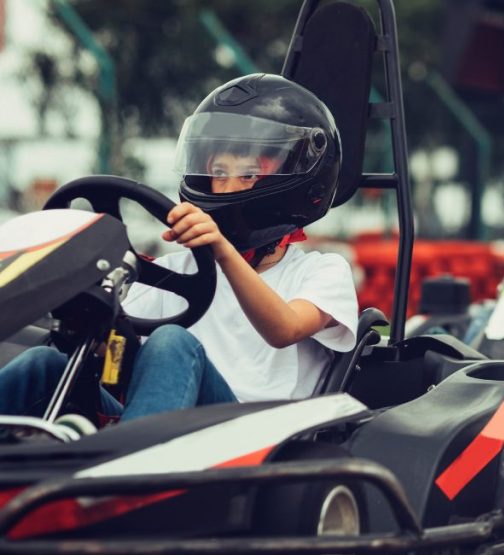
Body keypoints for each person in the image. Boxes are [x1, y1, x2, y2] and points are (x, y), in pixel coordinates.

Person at [0, 74, 358, 422]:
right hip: (169, 430)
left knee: (172, 341)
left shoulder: (322, 271)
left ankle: (127, 476)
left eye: (248, 174)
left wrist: (220, 248)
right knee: (44, 364)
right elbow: (113, 342)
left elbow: (284, 329)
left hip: (257, 443)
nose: (226, 187)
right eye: (218, 172)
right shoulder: (177, 272)